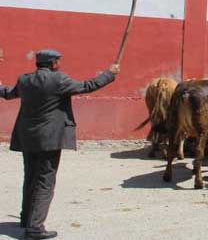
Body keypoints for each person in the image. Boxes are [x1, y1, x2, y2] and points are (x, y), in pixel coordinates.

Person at [0, 49, 119, 239]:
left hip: (27, 137)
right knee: (45, 181)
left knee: (30, 177)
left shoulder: (24, 80)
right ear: (53, 63)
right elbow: (88, 86)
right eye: (58, 61)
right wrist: (110, 74)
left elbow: (7, 93)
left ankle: (27, 219)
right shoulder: (58, 80)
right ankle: (35, 228)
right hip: (49, 138)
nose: (60, 63)